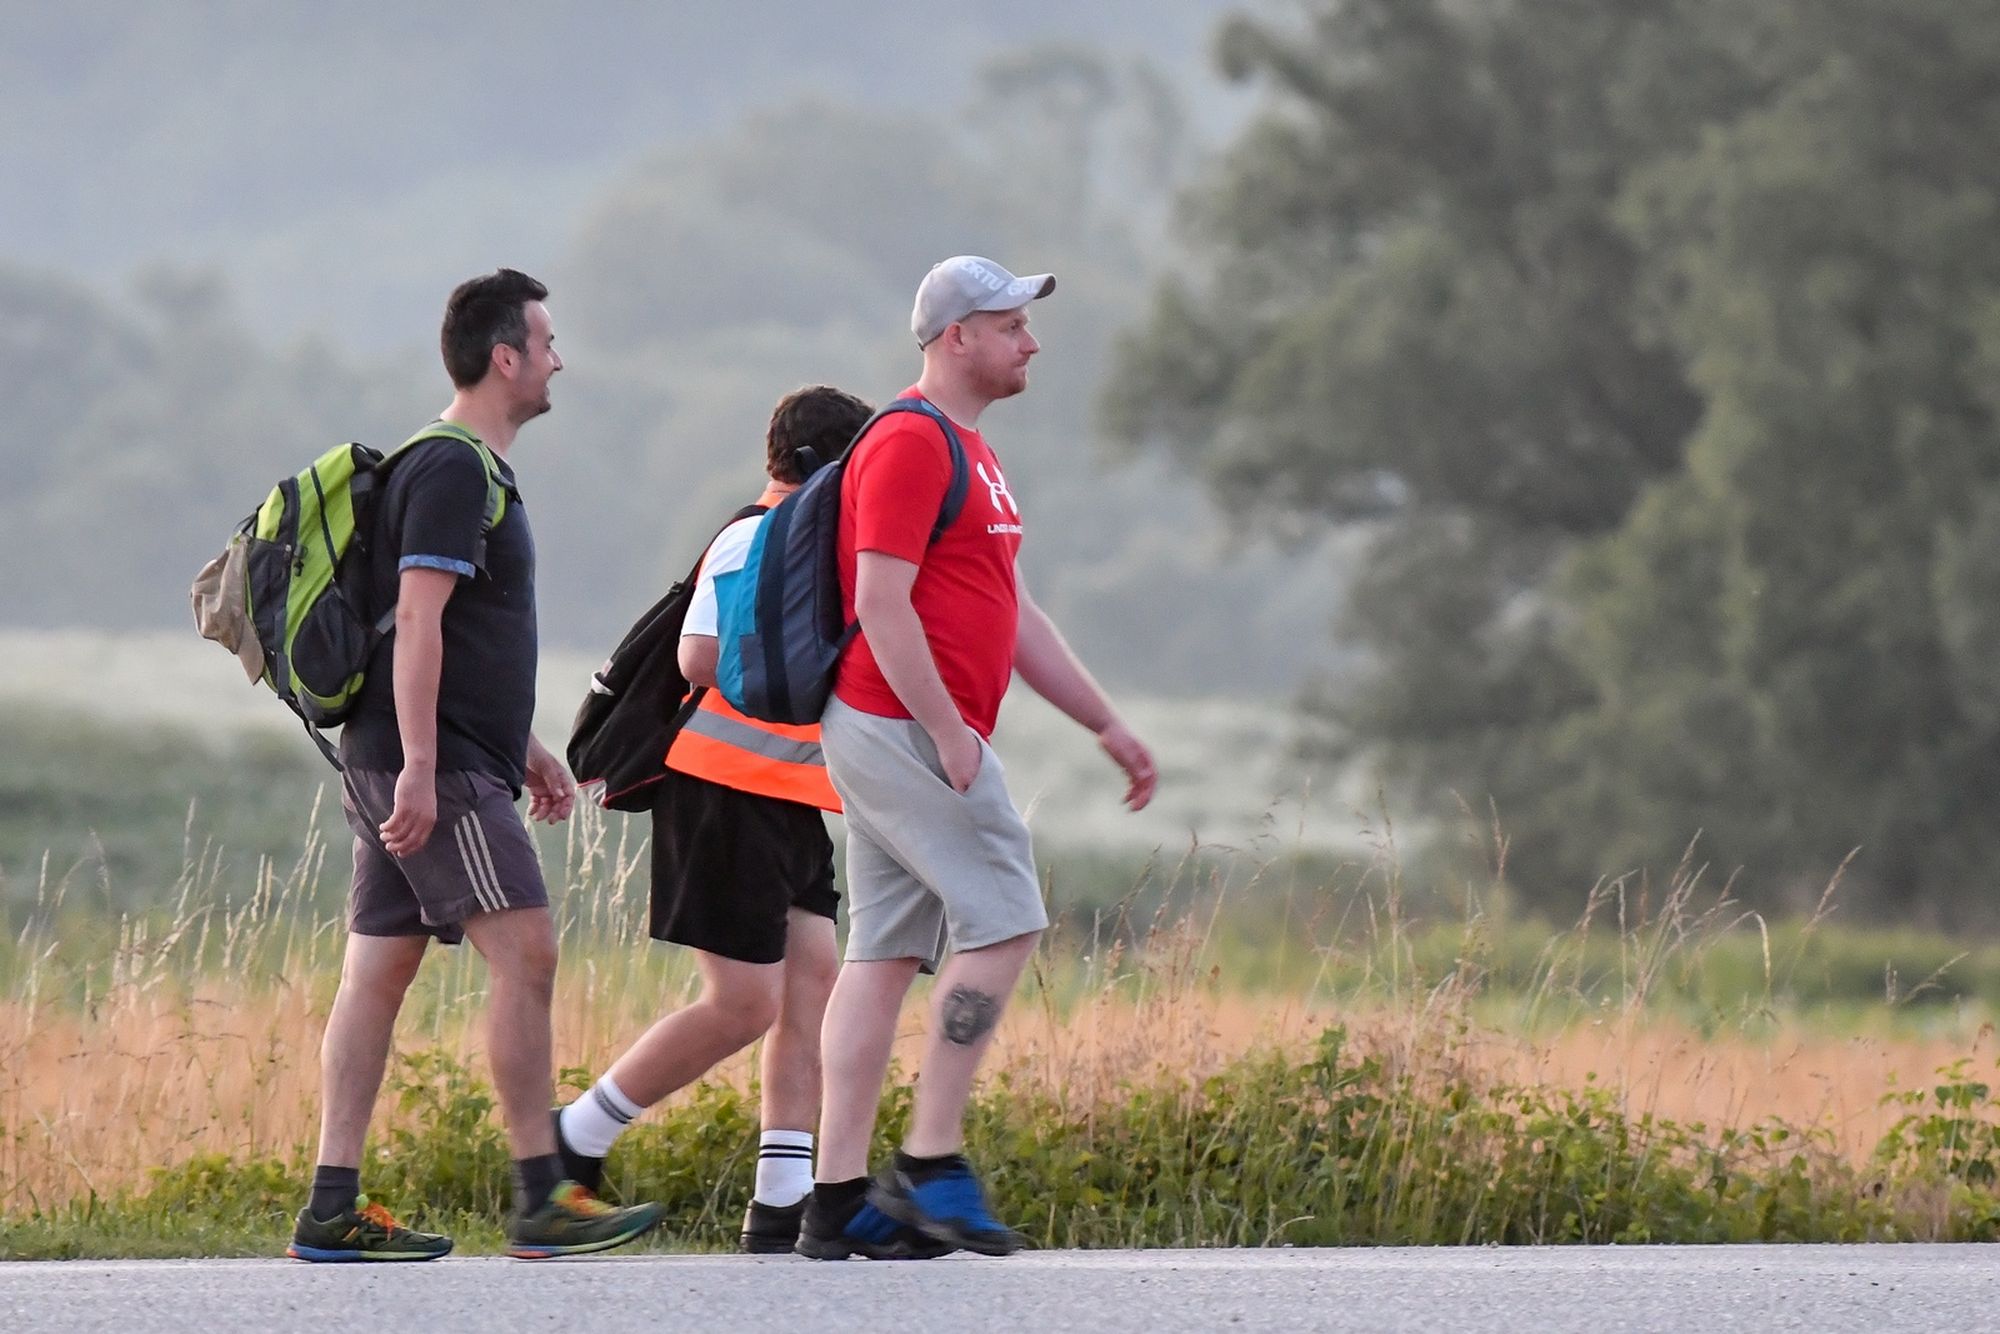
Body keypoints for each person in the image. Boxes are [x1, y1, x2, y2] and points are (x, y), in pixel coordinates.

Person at [288, 269, 662, 1263]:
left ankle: (331, 1204)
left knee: (378, 969)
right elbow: (418, 619)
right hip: (431, 765)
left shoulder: (464, 468)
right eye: (544, 342)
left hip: (431, 755)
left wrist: (526, 747)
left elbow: (468, 640)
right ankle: (542, 1189)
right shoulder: (453, 469)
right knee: (528, 951)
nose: (556, 359)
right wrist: (421, 767)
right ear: (505, 358)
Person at [796, 257, 1159, 1260]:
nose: (1029, 340)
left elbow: (1015, 615)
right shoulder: (910, 442)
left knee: (879, 957)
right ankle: (931, 1157)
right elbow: (879, 598)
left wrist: (1103, 722)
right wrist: (950, 732)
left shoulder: (972, 454)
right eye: (1009, 324)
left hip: (895, 727)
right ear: (956, 336)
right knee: (1005, 919)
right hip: (906, 724)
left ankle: (833, 1203)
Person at [553, 385, 872, 1254]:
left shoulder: (823, 545)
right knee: (744, 1003)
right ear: (815, 470)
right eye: (854, 470)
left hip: (791, 797)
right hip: (724, 788)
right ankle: (575, 1135)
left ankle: (780, 1200)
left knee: (816, 985)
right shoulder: (754, 535)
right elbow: (698, 655)